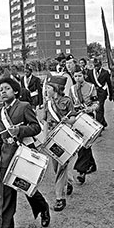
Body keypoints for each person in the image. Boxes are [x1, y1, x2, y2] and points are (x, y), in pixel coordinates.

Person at [0, 77, 50, 228]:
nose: (3, 91)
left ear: (15, 91)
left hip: (22, 154)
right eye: (0, 89)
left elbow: (36, 127)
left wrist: (20, 130)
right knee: (4, 198)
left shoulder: (24, 106)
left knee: (25, 187)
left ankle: (43, 207)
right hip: (6, 158)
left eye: (7, 88)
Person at [43, 74, 76, 211]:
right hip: (52, 137)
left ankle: (59, 198)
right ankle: (68, 182)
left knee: (62, 167)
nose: (46, 90)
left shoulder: (67, 101)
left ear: (56, 88)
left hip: (64, 136)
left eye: (48, 87)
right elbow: (45, 121)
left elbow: (73, 118)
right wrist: (45, 138)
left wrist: (67, 121)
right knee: (56, 167)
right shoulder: (48, 103)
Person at [68, 65, 99, 184]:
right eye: (75, 76)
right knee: (84, 143)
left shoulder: (91, 87)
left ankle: (81, 171)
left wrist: (91, 109)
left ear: (84, 75)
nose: (77, 78)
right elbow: (70, 104)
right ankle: (91, 164)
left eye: (79, 75)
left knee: (84, 144)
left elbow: (96, 102)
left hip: (88, 117)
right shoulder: (72, 89)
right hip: (77, 118)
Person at [86, 57, 113, 129]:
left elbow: (109, 83)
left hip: (102, 92)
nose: (96, 67)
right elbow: (88, 83)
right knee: (98, 109)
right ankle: (103, 122)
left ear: (101, 65)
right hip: (94, 92)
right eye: (95, 65)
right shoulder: (90, 72)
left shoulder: (105, 72)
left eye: (97, 65)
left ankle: (99, 125)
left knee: (99, 108)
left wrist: (111, 95)